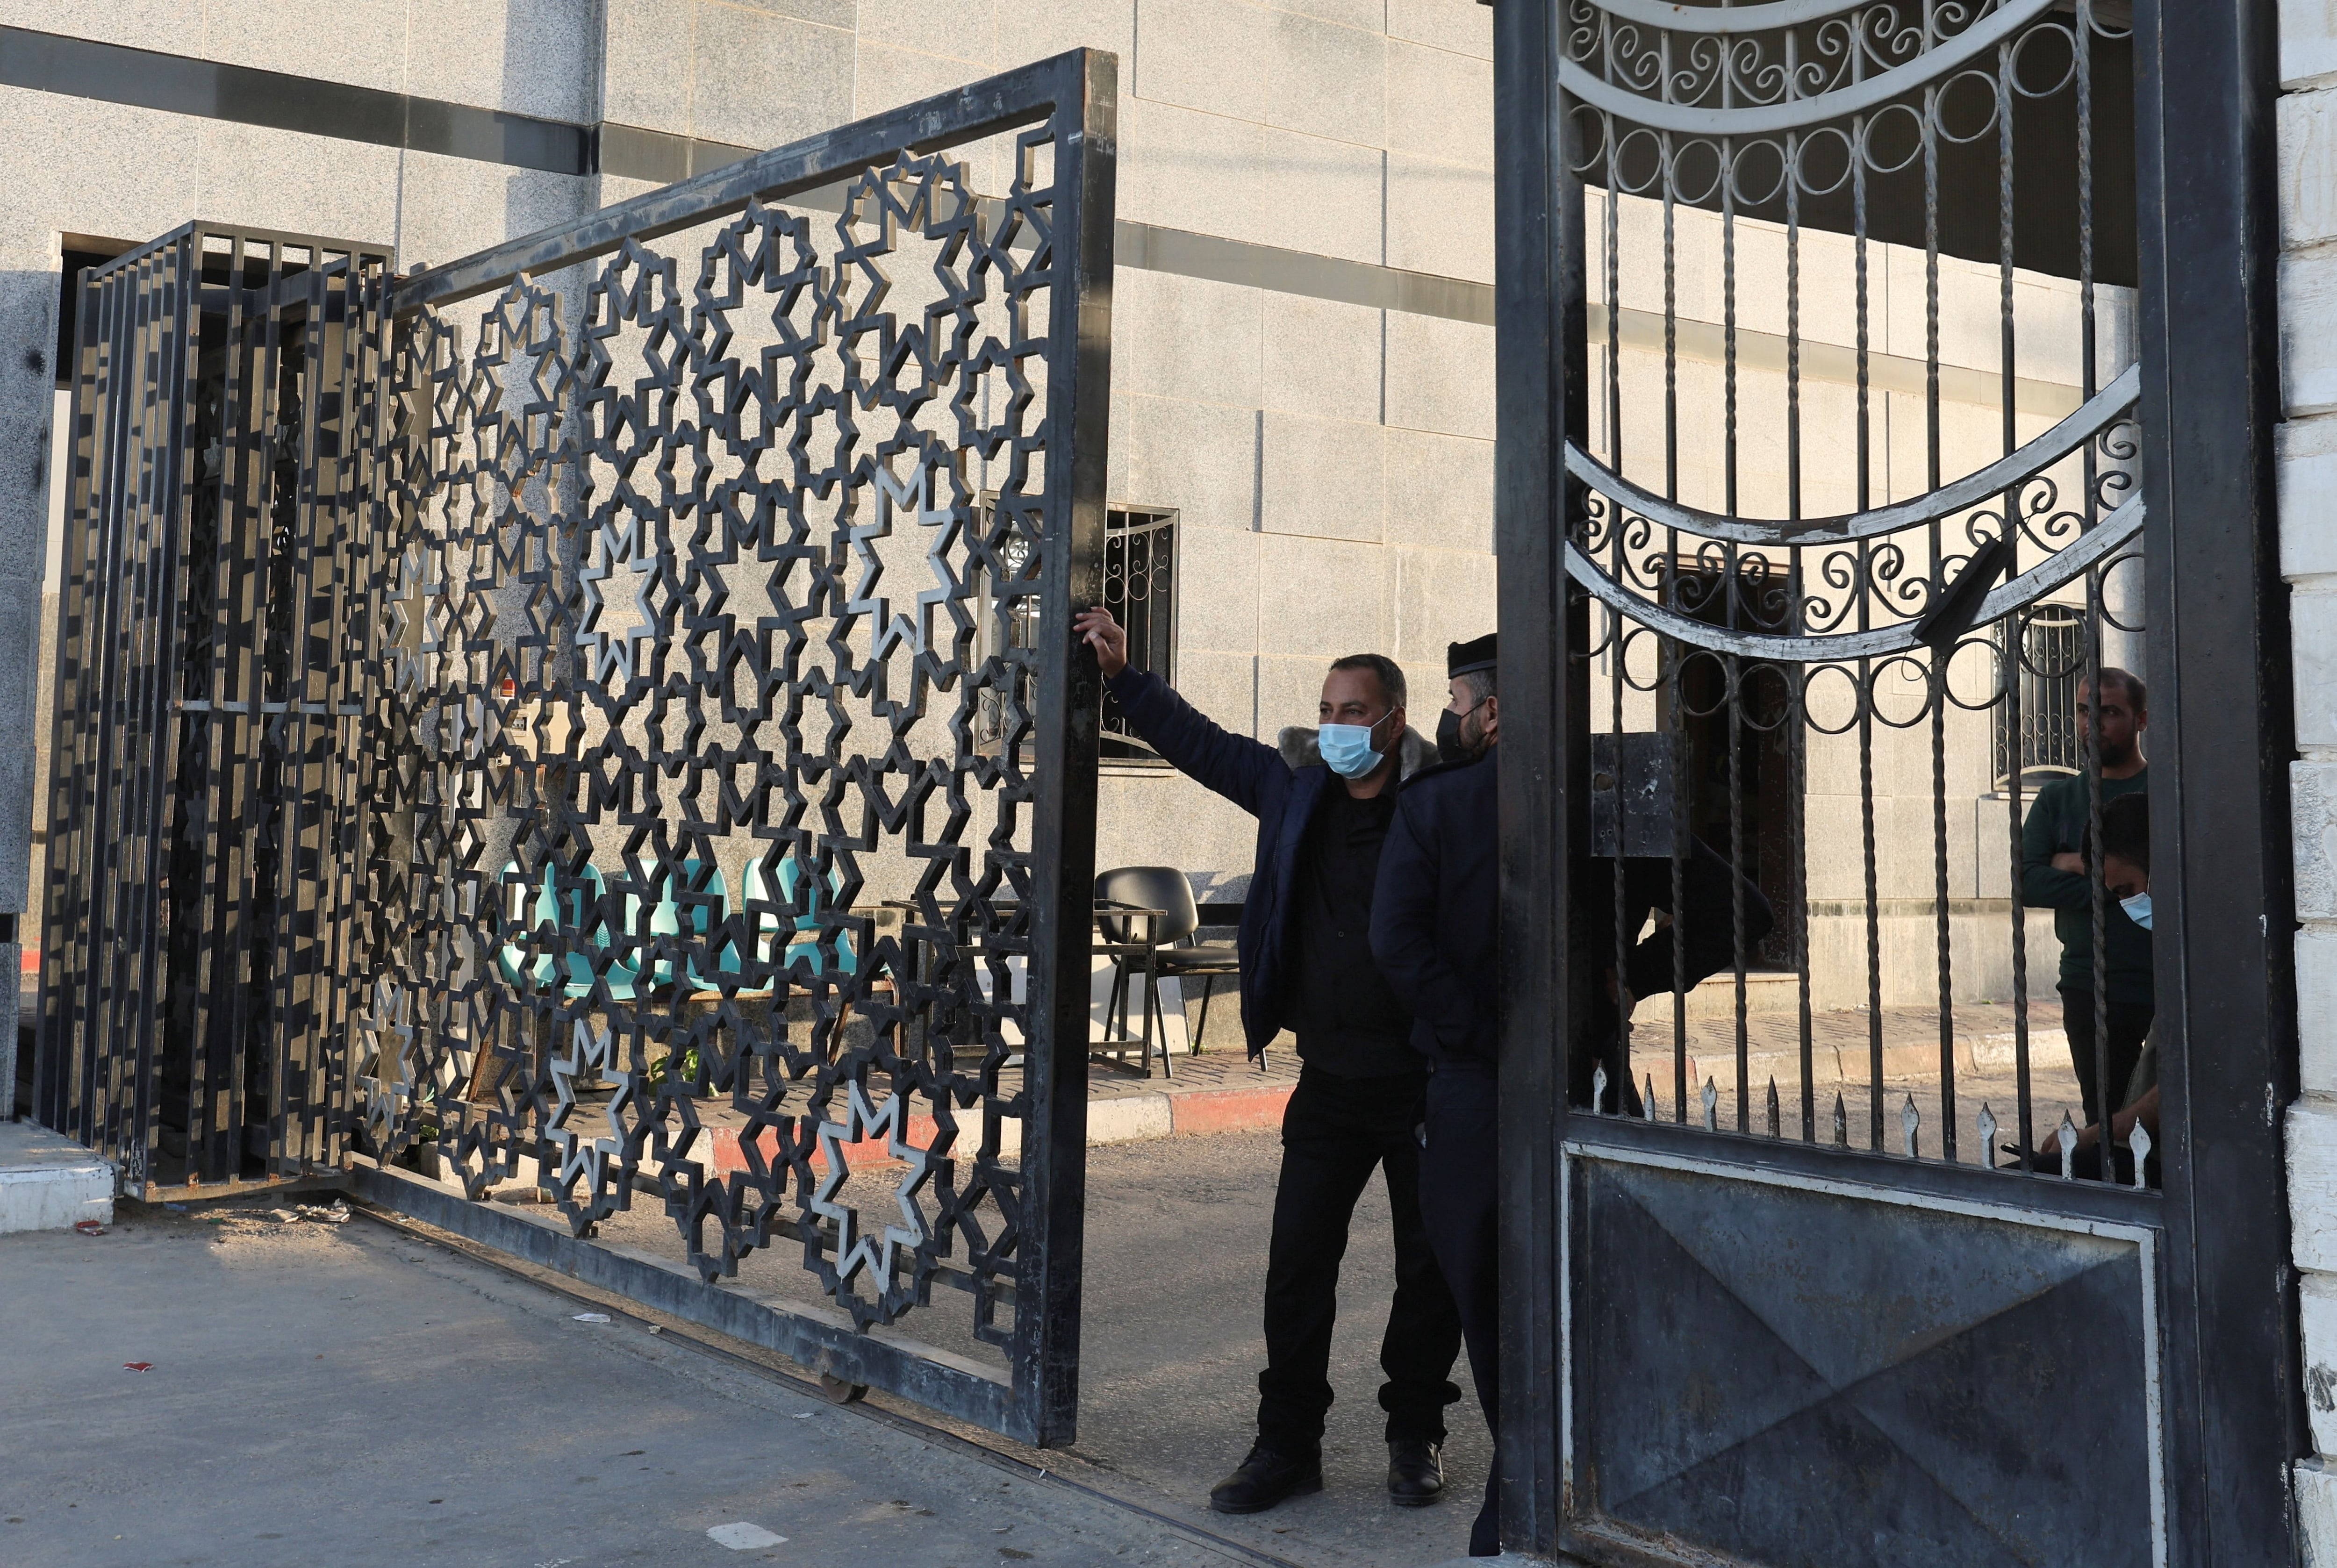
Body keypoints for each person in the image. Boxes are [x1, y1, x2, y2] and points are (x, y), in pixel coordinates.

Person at [1369, 634, 1771, 1558]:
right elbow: (1739, 912)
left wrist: (1489, 1031)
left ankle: (1525, 1502)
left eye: (1458, 701)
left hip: (1480, 1095)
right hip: (1591, 1088)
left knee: (1499, 1308)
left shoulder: (1438, 804)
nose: (1452, 718)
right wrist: (1628, 975)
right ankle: (1600, 1497)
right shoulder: (1611, 789)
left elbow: (1397, 944)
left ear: (1496, 709)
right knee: (1597, 1304)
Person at [1072, 605, 1465, 1517]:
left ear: (1393, 722)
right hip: (1327, 1081)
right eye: (1326, 708)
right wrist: (1124, 678)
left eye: (1353, 711)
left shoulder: (1439, 803)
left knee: (1428, 1271)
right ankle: (1287, 1444)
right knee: (1296, 1269)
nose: (1335, 725)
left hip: (1419, 1084)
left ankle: (1415, 1433)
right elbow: (1202, 746)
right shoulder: (1294, 788)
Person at [2018, 669, 2152, 1127]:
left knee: (2168, 1116)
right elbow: (2027, 881)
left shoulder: (2165, 792)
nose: (2091, 722)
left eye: (2109, 711)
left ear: (2140, 719)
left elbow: (2177, 881)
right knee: (2104, 1117)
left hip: (2161, 980)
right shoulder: (2057, 799)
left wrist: (2074, 861)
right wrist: (2121, 885)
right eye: (2082, 710)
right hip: (2087, 985)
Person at [2031, 791, 2160, 1185]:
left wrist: (2093, 1135)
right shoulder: (2055, 802)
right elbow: (2028, 879)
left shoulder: (2212, 955)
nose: (2127, 904)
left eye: (2126, 890)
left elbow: (2187, 1089)